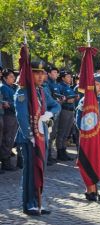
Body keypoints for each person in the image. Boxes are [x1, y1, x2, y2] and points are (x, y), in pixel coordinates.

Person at [15, 60, 61, 215]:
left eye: (42, 73)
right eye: (37, 73)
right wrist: (31, 136)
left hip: (42, 135)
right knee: (30, 171)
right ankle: (29, 204)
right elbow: (21, 117)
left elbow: (56, 105)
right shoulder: (23, 92)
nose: (41, 76)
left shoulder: (41, 91)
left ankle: (38, 201)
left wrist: (49, 114)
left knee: (40, 169)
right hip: (29, 138)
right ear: (29, 74)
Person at [76, 74, 100, 201]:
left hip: (99, 136)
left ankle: (95, 189)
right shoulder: (84, 100)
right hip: (89, 137)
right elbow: (79, 120)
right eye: (97, 84)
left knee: (97, 161)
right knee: (89, 161)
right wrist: (87, 133)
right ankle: (89, 190)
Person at [55, 70, 78, 161]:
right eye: (68, 76)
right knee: (61, 132)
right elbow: (58, 98)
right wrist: (66, 100)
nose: (70, 78)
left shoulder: (69, 87)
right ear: (63, 78)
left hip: (71, 111)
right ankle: (60, 152)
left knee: (67, 133)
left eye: (70, 76)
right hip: (65, 110)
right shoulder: (60, 86)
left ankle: (64, 150)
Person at [0, 68, 18, 171]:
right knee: (7, 139)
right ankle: (5, 161)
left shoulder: (13, 87)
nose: (13, 78)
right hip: (8, 116)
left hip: (14, 115)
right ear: (5, 78)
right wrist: (15, 104)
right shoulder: (4, 88)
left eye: (13, 76)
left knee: (11, 139)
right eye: (11, 76)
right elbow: (6, 103)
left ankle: (6, 160)